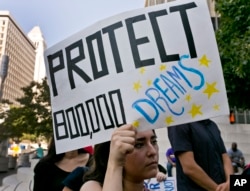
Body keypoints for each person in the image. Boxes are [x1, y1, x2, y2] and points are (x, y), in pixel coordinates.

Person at [80, 124, 164, 191]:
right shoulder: (92, 187)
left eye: (154, 141)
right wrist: (116, 164)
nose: (152, 151)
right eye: (139, 145)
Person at [168, 119, 233, 191]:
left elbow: (225, 157)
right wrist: (217, 189)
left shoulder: (212, 125)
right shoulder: (179, 124)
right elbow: (189, 167)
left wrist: (229, 182)